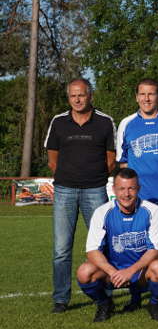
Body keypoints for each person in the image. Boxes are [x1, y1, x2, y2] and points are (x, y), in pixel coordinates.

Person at [44, 78, 116, 313]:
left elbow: (111, 158)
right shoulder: (59, 122)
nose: (77, 99)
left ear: (90, 95)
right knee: (61, 249)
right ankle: (61, 299)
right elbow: (53, 159)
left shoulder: (105, 122)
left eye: (81, 95)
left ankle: (106, 293)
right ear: (69, 98)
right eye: (73, 96)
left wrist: (92, 177)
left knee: (102, 245)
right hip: (65, 190)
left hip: (95, 190)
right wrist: (70, 177)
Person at [76, 168, 158, 322]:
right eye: (122, 189)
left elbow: (155, 250)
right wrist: (113, 272)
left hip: (141, 271)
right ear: (114, 189)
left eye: (131, 188)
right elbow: (92, 251)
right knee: (84, 272)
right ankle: (104, 304)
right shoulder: (102, 212)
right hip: (112, 271)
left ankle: (154, 305)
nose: (126, 194)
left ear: (138, 188)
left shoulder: (152, 210)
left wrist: (130, 271)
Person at [117, 78, 158, 267]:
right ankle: (140, 288)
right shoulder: (127, 123)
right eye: (143, 94)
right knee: (141, 243)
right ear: (137, 97)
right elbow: (124, 162)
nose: (147, 98)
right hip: (140, 196)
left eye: (151, 94)